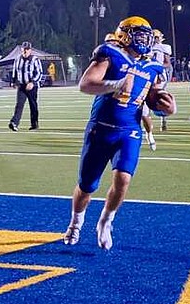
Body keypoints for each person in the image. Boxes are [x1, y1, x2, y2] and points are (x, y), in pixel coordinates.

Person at [63, 16, 175, 250]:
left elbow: (153, 98)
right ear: (124, 34)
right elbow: (86, 84)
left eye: (147, 36)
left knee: (123, 180)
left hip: (129, 131)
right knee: (87, 186)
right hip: (101, 128)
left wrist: (166, 108)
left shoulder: (153, 66)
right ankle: (76, 222)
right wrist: (115, 84)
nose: (144, 41)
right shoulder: (111, 53)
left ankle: (106, 221)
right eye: (139, 35)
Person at [9, 41, 42, 132]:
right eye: (24, 49)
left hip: (32, 86)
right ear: (21, 50)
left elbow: (39, 73)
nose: (25, 51)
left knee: (33, 105)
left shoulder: (35, 59)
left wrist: (32, 82)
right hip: (22, 85)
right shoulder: (18, 59)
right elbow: (15, 71)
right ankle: (14, 123)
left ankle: (34, 124)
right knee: (19, 105)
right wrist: (13, 81)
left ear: (30, 50)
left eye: (27, 49)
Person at [150, 29, 173, 131]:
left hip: (159, 73)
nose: (154, 40)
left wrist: (157, 66)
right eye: (153, 37)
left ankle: (163, 121)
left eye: (156, 37)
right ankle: (147, 120)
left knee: (159, 96)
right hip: (149, 72)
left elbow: (167, 63)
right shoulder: (147, 48)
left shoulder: (164, 47)